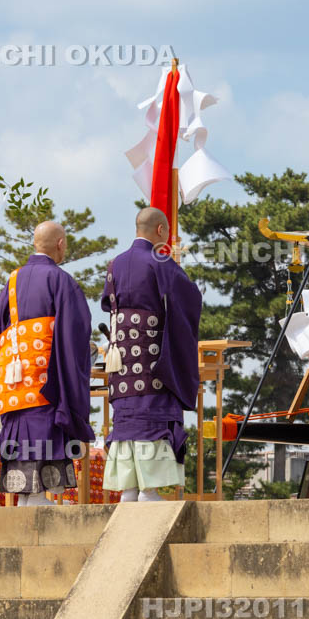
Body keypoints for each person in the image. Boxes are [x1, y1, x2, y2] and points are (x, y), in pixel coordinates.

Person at [100, 207, 201, 501]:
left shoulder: (114, 264)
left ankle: (129, 489)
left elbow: (108, 306)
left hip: (121, 364)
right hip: (152, 363)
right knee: (152, 419)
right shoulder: (160, 260)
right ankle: (149, 489)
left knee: (127, 421)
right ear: (160, 230)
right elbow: (189, 299)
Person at [0, 221, 94, 506]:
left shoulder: (11, 282)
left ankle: (28, 498)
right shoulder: (60, 280)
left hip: (15, 381)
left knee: (22, 433)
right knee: (43, 430)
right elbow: (76, 333)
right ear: (60, 244)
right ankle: (36, 498)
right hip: (46, 381)